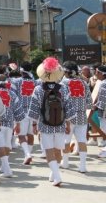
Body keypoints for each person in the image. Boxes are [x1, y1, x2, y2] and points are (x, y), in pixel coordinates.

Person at [28, 57, 75, 186]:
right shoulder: (63, 88)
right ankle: (54, 173)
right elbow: (68, 107)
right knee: (57, 150)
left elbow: (34, 110)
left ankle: (57, 176)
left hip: (44, 124)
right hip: (60, 124)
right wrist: (68, 123)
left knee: (48, 150)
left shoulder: (38, 89)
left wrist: (34, 124)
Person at [60, 61, 92, 173]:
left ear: (67, 72)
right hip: (82, 115)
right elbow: (89, 103)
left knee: (66, 140)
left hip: (68, 116)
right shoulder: (84, 83)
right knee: (82, 140)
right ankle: (82, 166)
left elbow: (61, 100)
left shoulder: (63, 83)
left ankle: (65, 162)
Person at [11, 61, 38, 164]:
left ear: (21, 70)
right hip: (33, 111)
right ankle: (29, 154)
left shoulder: (16, 81)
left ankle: (27, 154)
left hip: (21, 111)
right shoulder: (35, 82)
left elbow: (13, 96)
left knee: (21, 135)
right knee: (30, 134)